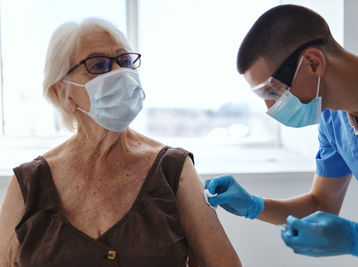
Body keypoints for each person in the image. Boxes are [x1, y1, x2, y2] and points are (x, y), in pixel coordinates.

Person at [0, 18, 241, 267]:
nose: (119, 73)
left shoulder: (173, 170)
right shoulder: (29, 184)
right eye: (98, 65)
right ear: (62, 93)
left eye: (125, 61)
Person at [205, 4, 358, 262]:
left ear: (313, 63)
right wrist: (254, 206)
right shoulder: (332, 119)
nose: (270, 109)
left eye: (272, 92)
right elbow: (322, 204)